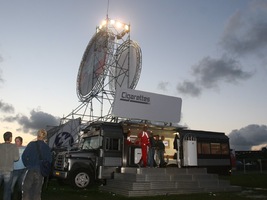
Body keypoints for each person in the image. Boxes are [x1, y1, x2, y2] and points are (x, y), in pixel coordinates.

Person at [22, 129, 52, 200]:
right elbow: (50, 160)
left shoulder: (31, 144)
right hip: (40, 172)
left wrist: (27, 165)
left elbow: (24, 156)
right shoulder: (47, 147)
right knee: (37, 192)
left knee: (26, 190)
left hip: (31, 169)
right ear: (44, 137)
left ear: (37, 135)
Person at [0, 131, 19, 200]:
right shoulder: (14, 146)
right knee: (7, 190)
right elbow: (16, 158)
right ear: (10, 138)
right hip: (8, 170)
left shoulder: (0, 146)